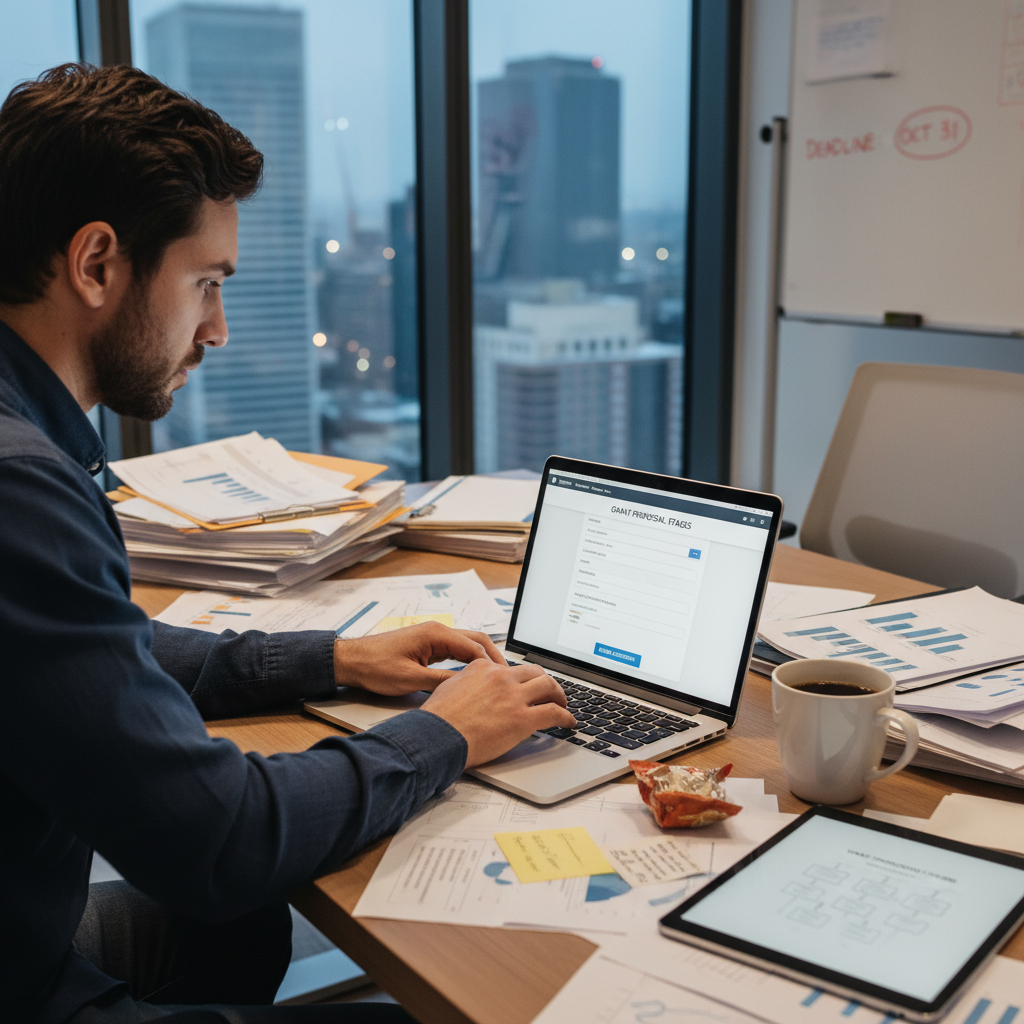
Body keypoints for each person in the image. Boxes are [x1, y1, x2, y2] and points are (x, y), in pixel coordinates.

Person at [0, 63, 575, 1024]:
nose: (217, 329)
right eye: (206, 283)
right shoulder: (18, 487)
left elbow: (98, 658)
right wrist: (446, 733)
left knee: (244, 926)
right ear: (96, 264)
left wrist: (335, 659)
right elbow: (217, 839)